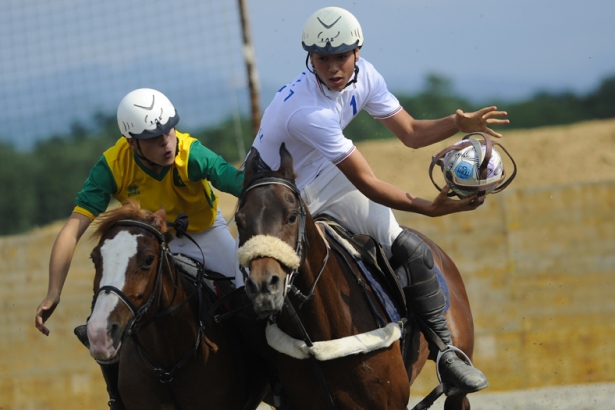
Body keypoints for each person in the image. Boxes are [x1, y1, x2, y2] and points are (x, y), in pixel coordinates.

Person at [251, 6, 510, 396]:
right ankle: (259, 376)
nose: (334, 68)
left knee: (410, 248)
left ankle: (446, 355)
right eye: (323, 59)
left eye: (342, 56)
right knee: (254, 276)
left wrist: (457, 123)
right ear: (310, 58)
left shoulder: (366, 75)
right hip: (272, 198)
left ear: (357, 53)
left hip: (322, 175)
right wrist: (429, 207)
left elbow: (410, 132)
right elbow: (368, 183)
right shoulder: (307, 111)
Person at [34, 88, 245, 409]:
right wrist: (53, 292)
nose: (166, 142)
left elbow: (237, 181)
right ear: (132, 142)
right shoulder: (112, 166)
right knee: (102, 317)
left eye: (169, 130)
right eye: (154, 138)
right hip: (148, 247)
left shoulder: (191, 153)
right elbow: (72, 229)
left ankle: (275, 379)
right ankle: (117, 397)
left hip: (204, 233)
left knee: (249, 299)